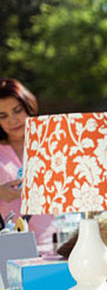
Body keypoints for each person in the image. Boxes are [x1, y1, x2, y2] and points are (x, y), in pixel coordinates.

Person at [0, 78, 55, 254]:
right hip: (10, 246)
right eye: (3, 116)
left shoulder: (50, 145)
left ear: (28, 107)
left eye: (18, 111)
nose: (13, 120)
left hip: (53, 242)